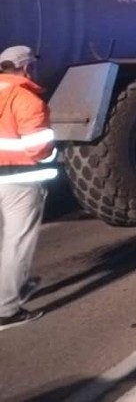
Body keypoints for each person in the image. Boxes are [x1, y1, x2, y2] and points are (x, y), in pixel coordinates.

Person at [0, 45, 56, 330]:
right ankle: (7, 309)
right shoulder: (26, 99)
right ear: (26, 68)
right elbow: (38, 149)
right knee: (16, 242)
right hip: (19, 180)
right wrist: (53, 153)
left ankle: (15, 283)